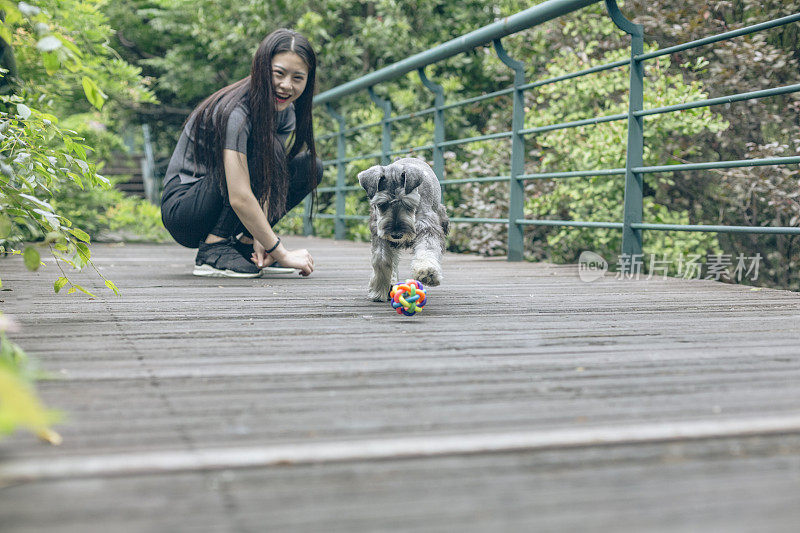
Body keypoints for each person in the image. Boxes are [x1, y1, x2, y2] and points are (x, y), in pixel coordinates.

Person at [161, 28, 321, 278]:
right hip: (186, 210)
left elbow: (271, 175)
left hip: (218, 199)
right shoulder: (236, 113)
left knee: (309, 167)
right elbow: (239, 195)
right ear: (260, 68)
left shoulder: (285, 114)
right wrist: (281, 252)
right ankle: (214, 249)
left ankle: (244, 248)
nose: (286, 85)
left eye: (297, 77)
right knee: (259, 149)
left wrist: (260, 238)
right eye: (278, 73)